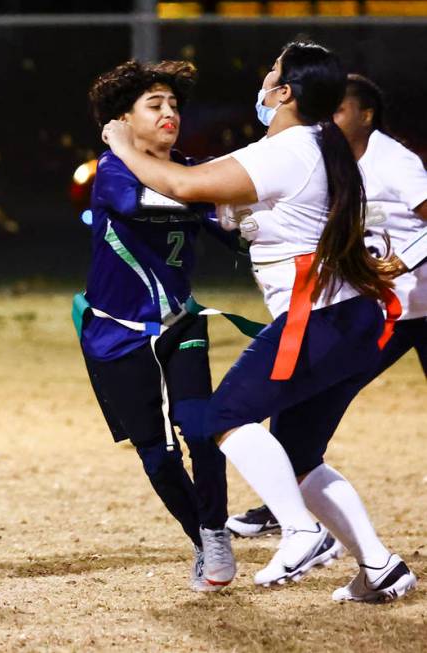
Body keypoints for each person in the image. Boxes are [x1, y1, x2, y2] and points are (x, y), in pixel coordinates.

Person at [101, 41, 417, 603]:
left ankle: (300, 531)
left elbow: (180, 186)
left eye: (271, 76)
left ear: (286, 92)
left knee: (218, 420)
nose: (263, 85)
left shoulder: (289, 150)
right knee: (298, 455)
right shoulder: (312, 146)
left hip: (316, 318)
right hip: (350, 320)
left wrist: (123, 145)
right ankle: (380, 566)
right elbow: (210, 199)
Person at [226, 74, 427, 540]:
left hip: (414, 308)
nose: (330, 120)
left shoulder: (391, 160)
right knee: (308, 388)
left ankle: (291, 491)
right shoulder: (330, 159)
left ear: (367, 115)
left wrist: (407, 258)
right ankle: (287, 496)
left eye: (340, 111)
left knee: (309, 386)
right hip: (387, 309)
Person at [75, 60, 238, 592]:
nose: (170, 114)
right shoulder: (113, 169)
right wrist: (126, 152)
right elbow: (134, 203)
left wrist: (245, 222)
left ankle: (216, 536)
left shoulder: (189, 169)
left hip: (179, 321)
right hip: (113, 333)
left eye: (174, 105)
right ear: (122, 120)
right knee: (158, 454)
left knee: (200, 429)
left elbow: (230, 232)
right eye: (155, 106)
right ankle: (200, 535)